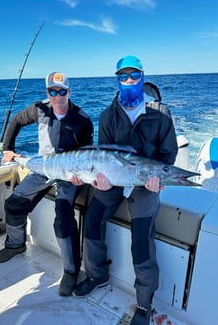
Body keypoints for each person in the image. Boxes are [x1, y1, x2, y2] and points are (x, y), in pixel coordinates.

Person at [72, 56, 178, 325]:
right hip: (114, 181)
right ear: (117, 80)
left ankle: (143, 304)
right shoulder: (108, 115)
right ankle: (97, 274)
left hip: (146, 183)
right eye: (123, 77)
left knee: (141, 238)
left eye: (134, 76)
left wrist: (157, 178)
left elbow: (168, 155)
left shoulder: (161, 113)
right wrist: (100, 179)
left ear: (143, 76)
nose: (129, 81)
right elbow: (104, 155)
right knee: (93, 219)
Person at [0, 71, 94, 297]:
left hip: (69, 174)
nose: (57, 96)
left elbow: (88, 150)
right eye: (52, 91)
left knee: (63, 217)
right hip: (43, 168)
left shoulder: (83, 119)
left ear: (69, 92)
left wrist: (80, 174)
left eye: (62, 91)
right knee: (14, 203)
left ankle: (71, 271)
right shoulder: (39, 109)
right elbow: (17, 121)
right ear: (47, 92)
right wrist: (8, 148)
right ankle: (15, 244)